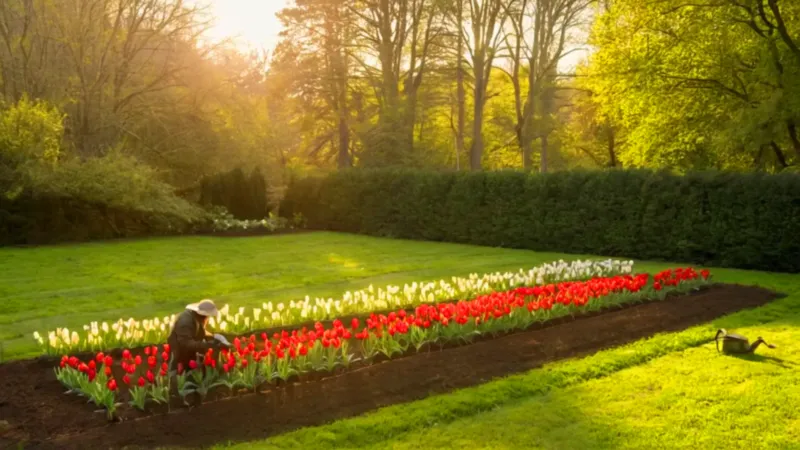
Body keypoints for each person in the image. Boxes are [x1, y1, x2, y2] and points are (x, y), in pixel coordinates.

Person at [167, 299, 229, 371]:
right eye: (208, 316)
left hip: (188, 350)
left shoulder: (195, 316)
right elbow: (187, 344)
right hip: (180, 354)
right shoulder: (185, 322)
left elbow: (200, 331)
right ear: (203, 315)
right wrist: (209, 345)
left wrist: (215, 336)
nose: (208, 319)